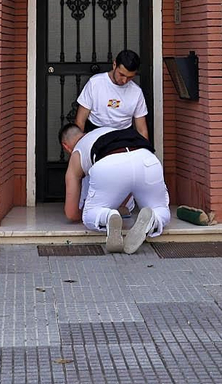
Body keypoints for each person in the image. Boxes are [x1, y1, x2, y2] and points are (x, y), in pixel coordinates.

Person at [60, 123, 171, 254]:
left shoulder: (77, 152)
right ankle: (154, 220)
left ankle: (108, 217)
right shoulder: (110, 131)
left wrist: (93, 208)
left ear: (65, 146)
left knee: (90, 215)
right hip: (147, 159)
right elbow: (126, 187)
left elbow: (71, 214)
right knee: (160, 208)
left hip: (110, 163)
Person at [74, 49, 150, 137]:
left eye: (130, 77)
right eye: (122, 75)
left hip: (123, 135)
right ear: (114, 65)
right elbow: (80, 120)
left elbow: (142, 130)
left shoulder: (136, 92)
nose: (124, 80)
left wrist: (145, 149)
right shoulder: (95, 83)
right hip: (95, 132)